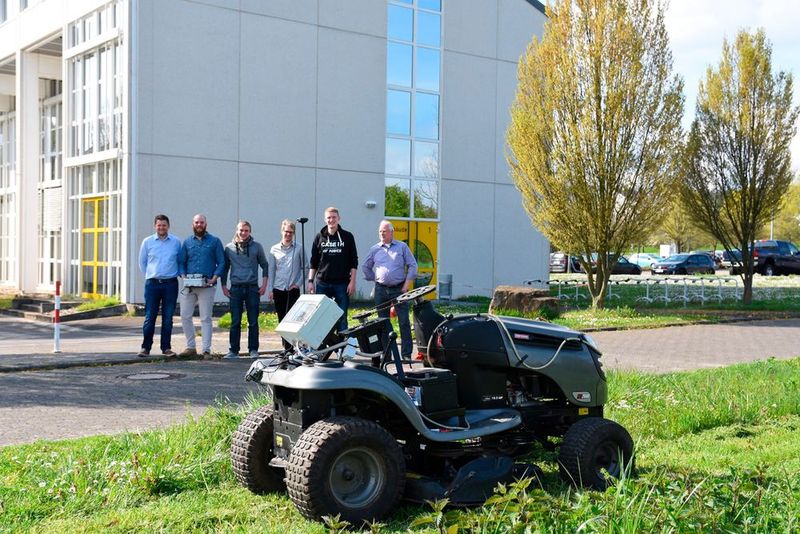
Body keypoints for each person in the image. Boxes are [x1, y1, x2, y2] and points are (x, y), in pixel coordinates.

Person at [362, 220, 418, 358]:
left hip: (399, 289)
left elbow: (413, 265)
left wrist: (406, 285)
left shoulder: (402, 247)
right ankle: (387, 355)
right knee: (383, 323)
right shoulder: (375, 249)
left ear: (392, 232)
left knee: (404, 321)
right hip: (381, 290)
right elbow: (365, 266)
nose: (382, 233)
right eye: (380, 231)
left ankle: (406, 354)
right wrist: (375, 278)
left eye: (384, 231)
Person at [177, 214, 225, 358]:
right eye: (197, 222)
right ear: (193, 224)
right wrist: (184, 277)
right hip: (189, 286)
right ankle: (190, 346)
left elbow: (221, 262)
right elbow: (181, 262)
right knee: (185, 315)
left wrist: (214, 278)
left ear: (206, 224)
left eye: (201, 222)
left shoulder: (215, 241)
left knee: (205, 318)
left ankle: (206, 349)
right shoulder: (187, 242)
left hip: (207, 286)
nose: (199, 225)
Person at [221, 220, 269, 359]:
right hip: (235, 288)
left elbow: (264, 265)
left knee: (253, 321)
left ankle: (253, 349)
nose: (243, 233)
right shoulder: (229, 248)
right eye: (241, 230)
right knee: (235, 321)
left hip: (252, 288)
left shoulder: (257, 247)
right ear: (237, 230)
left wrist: (264, 284)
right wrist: (224, 286)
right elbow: (225, 268)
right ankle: (233, 350)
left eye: (246, 230)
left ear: (250, 232)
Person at [307, 206, 358, 332]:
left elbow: (354, 261)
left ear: (339, 218)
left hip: (342, 283)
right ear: (325, 220)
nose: (331, 220)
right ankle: (322, 349)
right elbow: (313, 261)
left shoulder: (347, 237)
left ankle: (342, 349)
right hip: (322, 283)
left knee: (342, 317)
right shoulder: (319, 237)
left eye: (334, 217)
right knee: (321, 317)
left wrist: (353, 282)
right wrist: (310, 281)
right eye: (329, 218)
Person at [138, 214, 181, 357]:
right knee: (150, 317)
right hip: (153, 284)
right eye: (159, 225)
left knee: (168, 318)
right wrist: (151, 275)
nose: (161, 227)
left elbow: (179, 261)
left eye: (164, 225)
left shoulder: (176, 242)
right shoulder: (147, 242)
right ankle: (145, 348)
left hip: (170, 284)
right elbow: (142, 263)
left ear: (168, 226)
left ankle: (166, 348)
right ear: (155, 226)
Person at [268, 219, 305, 350]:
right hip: (278, 288)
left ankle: (295, 347)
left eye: (291, 232)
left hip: (292, 289)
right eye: (286, 231)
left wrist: (298, 284)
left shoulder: (299, 248)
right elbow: (271, 270)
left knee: (293, 321)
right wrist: (271, 289)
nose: (288, 234)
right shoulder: (274, 249)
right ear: (281, 231)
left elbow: (305, 267)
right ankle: (286, 348)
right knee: (282, 320)